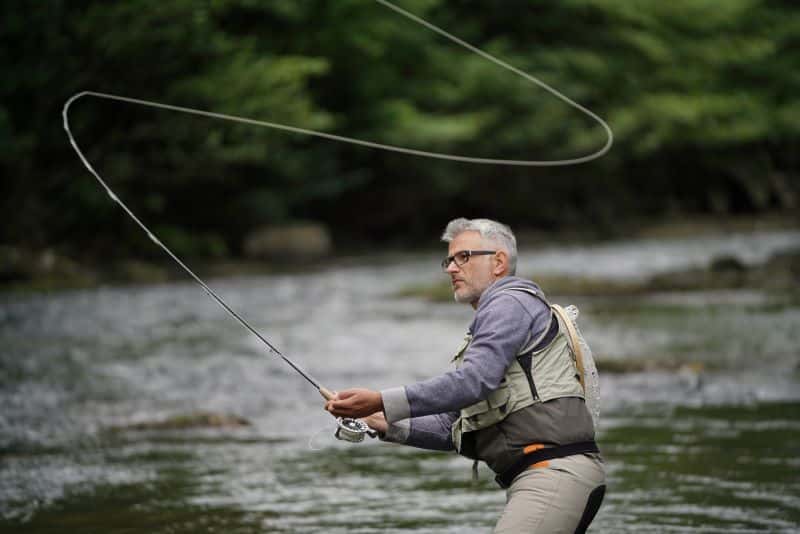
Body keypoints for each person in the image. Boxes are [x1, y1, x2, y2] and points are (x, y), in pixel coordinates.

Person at [325, 217, 606, 533]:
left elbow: (473, 382)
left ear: (498, 262)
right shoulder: (497, 318)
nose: (451, 268)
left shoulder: (509, 301)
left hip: (554, 474)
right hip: (544, 477)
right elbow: (454, 428)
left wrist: (382, 399)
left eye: (464, 257)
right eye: (449, 260)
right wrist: (382, 420)